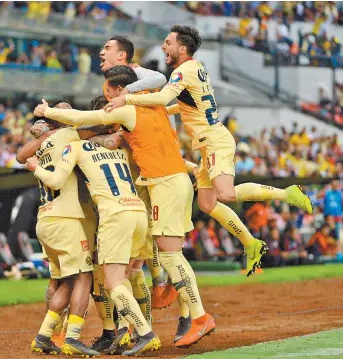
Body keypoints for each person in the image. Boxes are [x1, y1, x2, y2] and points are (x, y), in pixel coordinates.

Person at [105, 24, 313, 277]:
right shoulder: (197, 68)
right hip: (207, 143)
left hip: (215, 140)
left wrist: (126, 98)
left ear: (182, 48)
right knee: (206, 203)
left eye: (168, 43)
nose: (163, 47)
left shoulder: (183, 71)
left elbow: (162, 99)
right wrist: (153, 113)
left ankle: (286, 193)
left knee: (225, 194)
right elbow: (182, 107)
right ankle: (251, 244)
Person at [33, 67, 216, 348]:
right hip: (141, 209)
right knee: (140, 269)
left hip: (113, 215)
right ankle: (152, 320)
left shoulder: (82, 144)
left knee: (109, 279)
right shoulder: (131, 136)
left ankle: (134, 330)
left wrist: (47, 117)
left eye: (111, 94)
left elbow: (74, 132)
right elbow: (160, 85)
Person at [26, 120, 162, 357]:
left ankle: (140, 333)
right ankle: (123, 331)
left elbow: (51, 176)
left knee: (99, 281)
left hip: (91, 217)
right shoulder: (119, 149)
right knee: (125, 275)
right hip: (138, 211)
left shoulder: (71, 147)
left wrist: (35, 165)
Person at [99, 36, 179, 313]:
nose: (101, 52)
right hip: (141, 163)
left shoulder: (133, 73)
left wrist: (125, 94)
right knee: (143, 244)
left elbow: (159, 77)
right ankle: (155, 296)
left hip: (155, 161)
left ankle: (162, 287)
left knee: (154, 235)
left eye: (107, 48)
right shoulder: (111, 82)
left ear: (122, 56)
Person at [18, 102, 98, 357]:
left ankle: (44, 335)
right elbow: (98, 128)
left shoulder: (44, 145)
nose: (69, 110)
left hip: (45, 221)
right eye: (66, 109)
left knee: (65, 281)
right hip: (66, 219)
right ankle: (72, 337)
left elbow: (20, 156)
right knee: (85, 277)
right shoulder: (68, 133)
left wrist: (45, 133)